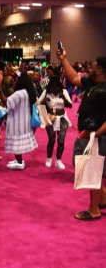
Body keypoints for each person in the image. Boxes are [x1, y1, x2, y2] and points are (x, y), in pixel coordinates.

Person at [57, 49, 106, 221]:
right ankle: (102, 198)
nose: (89, 68)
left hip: (97, 136)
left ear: (99, 69)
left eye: (93, 66)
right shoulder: (92, 83)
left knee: (93, 170)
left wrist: (95, 134)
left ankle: (94, 210)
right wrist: (63, 59)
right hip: (89, 134)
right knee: (91, 167)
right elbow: (74, 78)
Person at [5, 73, 38, 170]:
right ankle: (18, 160)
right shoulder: (27, 92)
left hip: (17, 121)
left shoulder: (19, 93)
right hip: (24, 120)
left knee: (16, 142)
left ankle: (19, 162)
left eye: (17, 79)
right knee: (18, 142)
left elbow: (7, 103)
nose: (15, 81)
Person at [38, 77, 72, 169]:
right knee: (52, 139)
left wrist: (64, 98)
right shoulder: (46, 92)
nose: (54, 90)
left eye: (56, 88)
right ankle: (49, 158)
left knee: (61, 140)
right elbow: (38, 103)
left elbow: (70, 105)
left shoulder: (64, 92)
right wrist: (44, 100)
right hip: (50, 118)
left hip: (62, 118)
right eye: (52, 88)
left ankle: (58, 160)